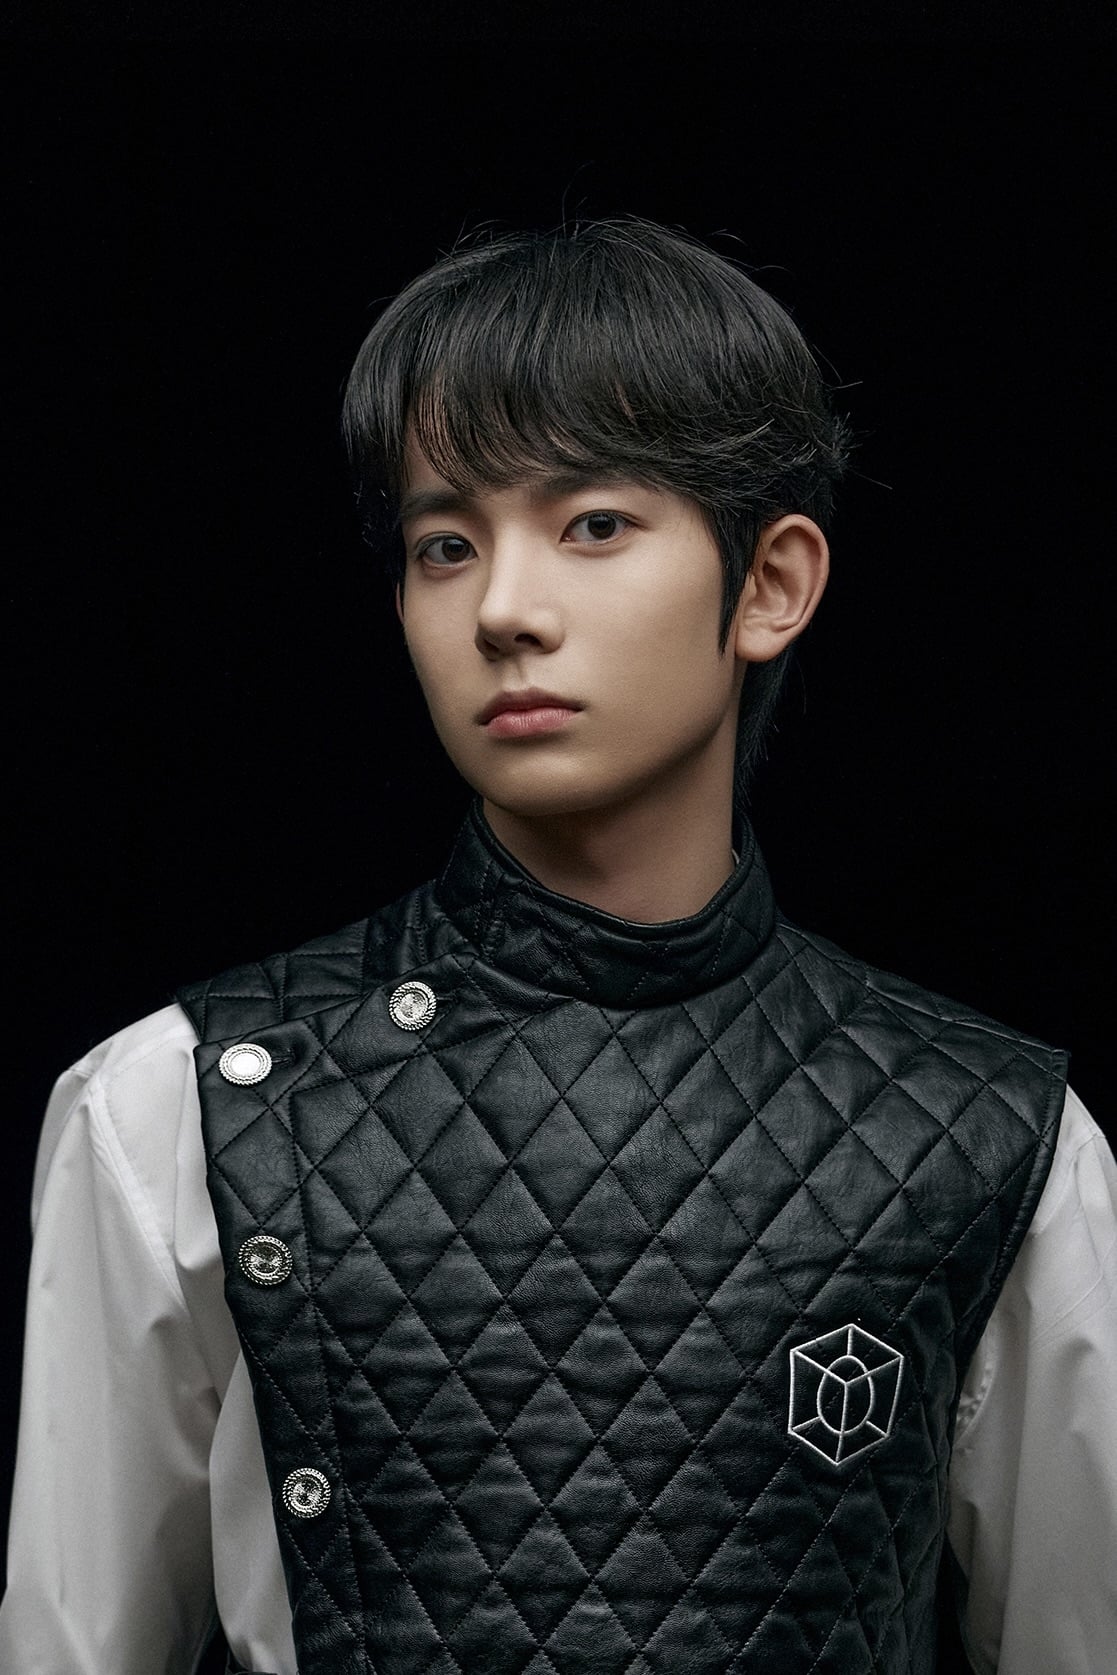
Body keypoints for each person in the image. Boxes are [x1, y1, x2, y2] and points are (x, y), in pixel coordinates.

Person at [1, 217, 1114, 1675]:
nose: (505, 612)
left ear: (770, 585)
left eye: (593, 524)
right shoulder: (174, 1106)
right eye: (444, 546)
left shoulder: (996, 1138)